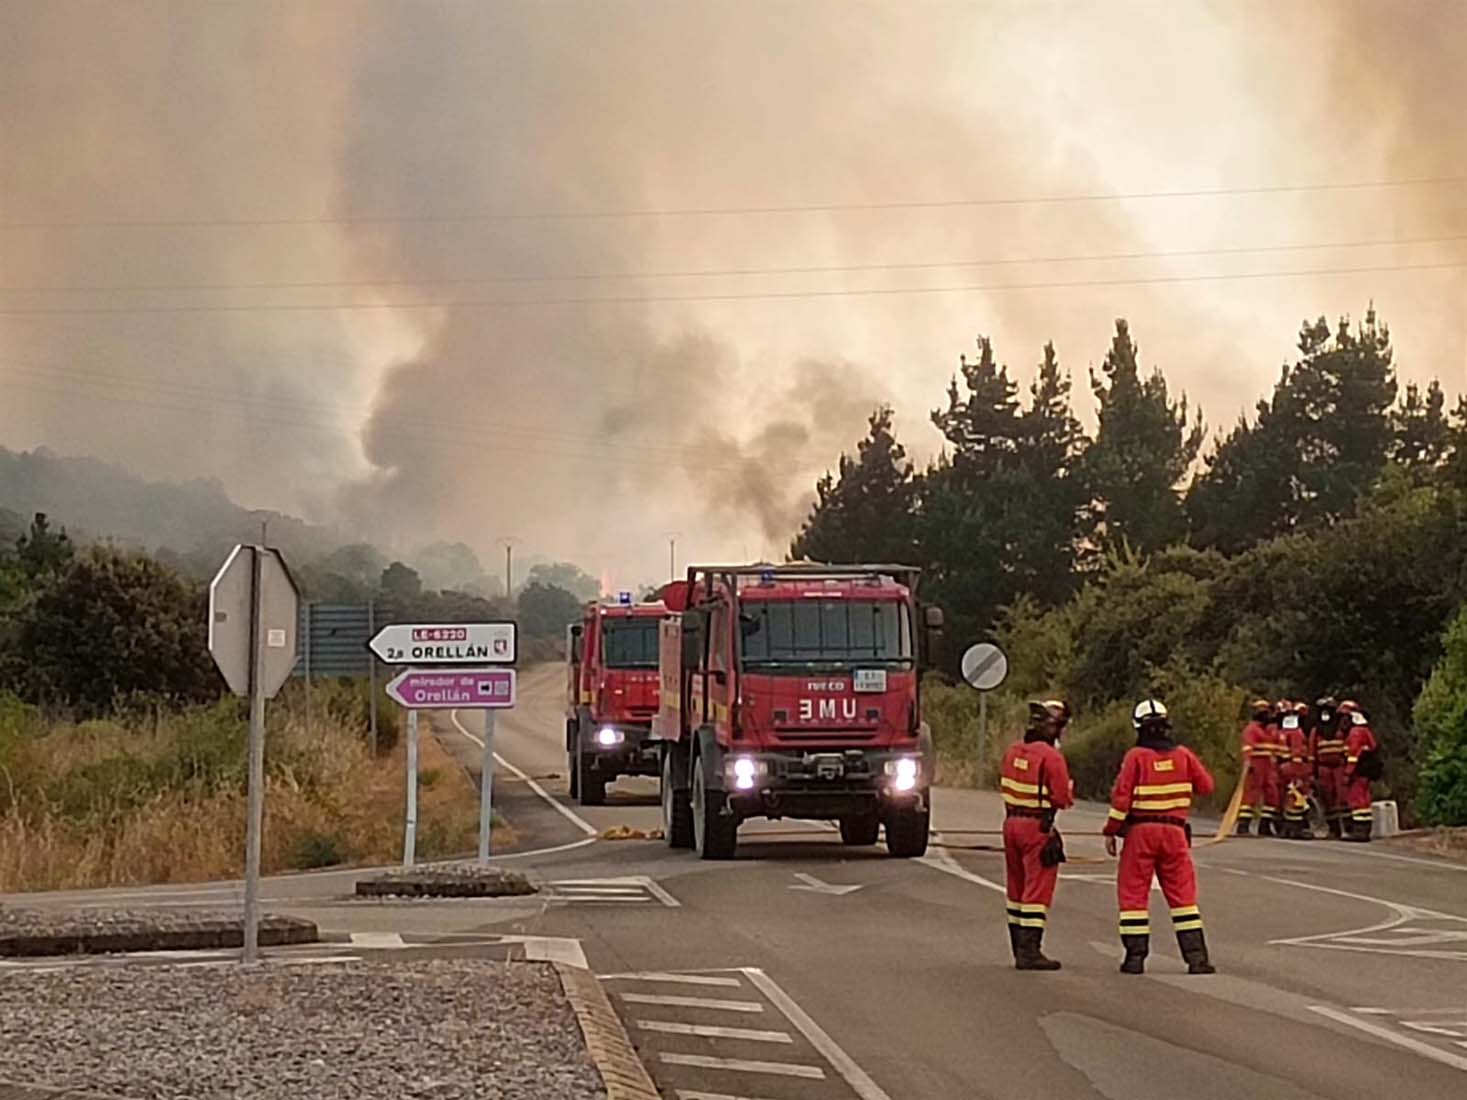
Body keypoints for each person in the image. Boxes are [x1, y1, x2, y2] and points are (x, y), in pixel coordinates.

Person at [1103, 699, 1217, 975]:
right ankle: (1197, 959)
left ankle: (1135, 959)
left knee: (1133, 895)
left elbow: (1121, 799)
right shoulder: (1184, 755)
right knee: (1183, 896)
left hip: (1140, 833)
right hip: (1175, 833)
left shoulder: (1136, 757)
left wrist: (1111, 830)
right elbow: (1206, 786)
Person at [999, 700, 1075, 970]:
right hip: (1036, 828)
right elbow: (1062, 798)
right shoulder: (1051, 757)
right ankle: (1030, 951)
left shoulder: (1012, 751)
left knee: (1016, 887)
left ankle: (1018, 948)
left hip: (1011, 824)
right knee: (1037, 889)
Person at [1339, 700, 1381, 842]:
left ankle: (1359, 831)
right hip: (1365, 771)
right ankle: (1364, 829)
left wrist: (1347, 773)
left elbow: (1353, 756)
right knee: (1364, 799)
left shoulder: (1355, 733)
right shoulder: (1364, 731)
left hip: (1358, 772)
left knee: (1357, 800)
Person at [1236, 699, 1279, 836]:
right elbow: (1247, 748)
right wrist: (1248, 764)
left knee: (1272, 795)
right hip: (1256, 766)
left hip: (1268, 767)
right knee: (1251, 796)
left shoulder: (1269, 730)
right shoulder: (1251, 729)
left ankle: (1264, 826)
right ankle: (1243, 826)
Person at [1309, 696, 1347, 838]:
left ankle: (1348, 827)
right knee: (1327, 798)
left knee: (1342, 797)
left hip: (1339, 767)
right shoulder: (1316, 731)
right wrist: (1312, 774)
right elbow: (1312, 753)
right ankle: (1334, 828)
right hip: (1323, 768)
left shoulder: (1342, 728)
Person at [1278, 701, 1314, 839]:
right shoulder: (1296, 733)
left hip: (1284, 767)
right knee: (1297, 798)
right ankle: (1295, 829)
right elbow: (1297, 752)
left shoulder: (1282, 732)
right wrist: (1300, 772)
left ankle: (1287, 828)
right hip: (1295, 768)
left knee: (1288, 798)